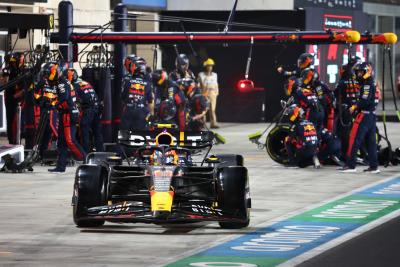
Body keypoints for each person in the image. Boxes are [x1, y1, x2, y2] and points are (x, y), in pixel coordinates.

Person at [41, 62, 86, 173]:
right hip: (64, 113)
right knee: (61, 142)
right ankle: (61, 167)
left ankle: (87, 161)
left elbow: (64, 98)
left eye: (48, 74)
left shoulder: (61, 82)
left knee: (70, 141)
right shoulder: (61, 81)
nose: (46, 77)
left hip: (68, 114)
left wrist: (52, 104)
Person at [340, 62, 380, 173]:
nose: (358, 75)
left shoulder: (367, 85)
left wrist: (354, 107)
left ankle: (350, 165)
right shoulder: (371, 83)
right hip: (371, 115)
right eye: (358, 72)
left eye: (361, 72)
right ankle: (374, 166)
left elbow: (364, 101)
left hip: (364, 115)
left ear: (367, 72)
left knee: (354, 139)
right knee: (371, 142)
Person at [65, 68, 103, 153]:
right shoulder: (85, 82)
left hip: (88, 110)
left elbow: (73, 100)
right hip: (97, 108)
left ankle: (85, 154)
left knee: (84, 131)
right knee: (97, 133)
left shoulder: (73, 86)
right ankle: (101, 153)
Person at [121, 56, 154, 131]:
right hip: (142, 111)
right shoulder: (147, 83)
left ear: (135, 68)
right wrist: (152, 115)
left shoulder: (127, 81)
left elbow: (122, 98)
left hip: (129, 110)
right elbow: (150, 101)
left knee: (124, 134)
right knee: (140, 133)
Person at [284, 104, 320, 168]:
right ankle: (313, 158)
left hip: (305, 151)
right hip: (315, 149)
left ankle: (293, 163)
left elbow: (290, 138)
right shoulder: (311, 122)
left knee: (287, 140)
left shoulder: (296, 125)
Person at [292, 68, 324, 135]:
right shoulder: (304, 86)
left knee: (311, 131)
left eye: (304, 77)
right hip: (319, 110)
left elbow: (321, 99)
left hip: (314, 111)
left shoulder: (318, 86)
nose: (303, 79)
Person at [198, 58, 219, 128]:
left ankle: (213, 123)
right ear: (205, 66)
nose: (210, 67)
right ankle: (202, 124)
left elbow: (216, 84)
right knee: (203, 110)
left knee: (212, 110)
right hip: (204, 94)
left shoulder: (215, 75)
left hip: (213, 94)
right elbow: (199, 85)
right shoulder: (201, 75)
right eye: (208, 65)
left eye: (211, 66)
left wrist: (216, 92)